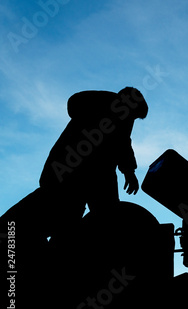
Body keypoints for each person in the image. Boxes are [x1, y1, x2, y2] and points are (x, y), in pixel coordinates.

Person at [39, 87, 148, 219]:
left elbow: (123, 143)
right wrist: (129, 172)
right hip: (81, 173)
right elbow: (123, 143)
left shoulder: (116, 117)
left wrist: (129, 171)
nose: (131, 121)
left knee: (81, 218)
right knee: (84, 217)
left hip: (83, 173)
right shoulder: (113, 116)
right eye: (133, 117)